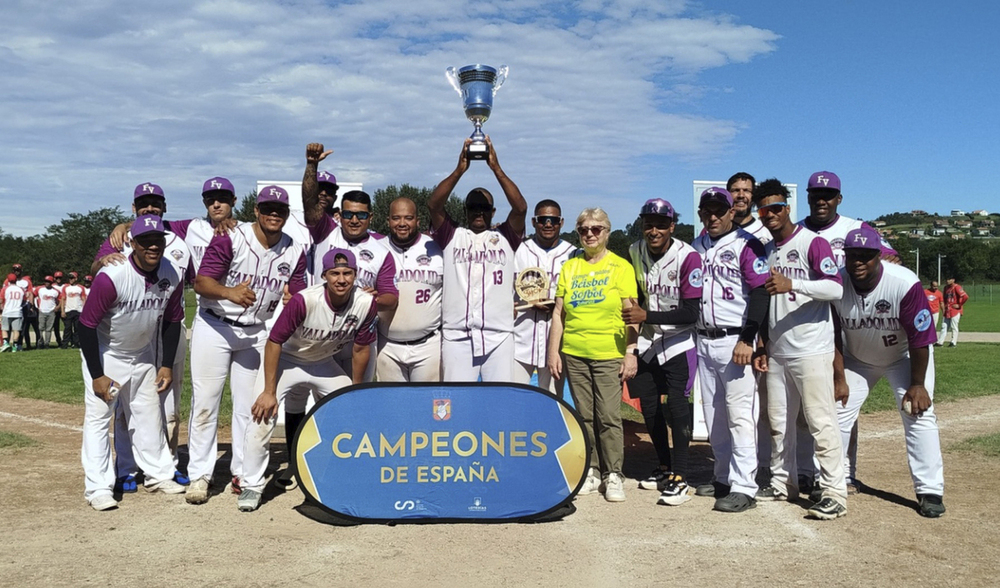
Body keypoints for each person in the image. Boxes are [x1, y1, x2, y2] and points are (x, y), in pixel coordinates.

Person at [187, 186, 308, 505]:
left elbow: (298, 293)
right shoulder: (231, 237)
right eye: (267, 207)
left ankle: (242, 471)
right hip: (215, 325)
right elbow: (201, 282)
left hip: (256, 331)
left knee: (249, 406)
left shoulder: (293, 250)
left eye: (279, 209)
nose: (273, 213)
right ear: (255, 210)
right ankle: (200, 474)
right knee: (205, 403)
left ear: (286, 213)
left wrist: (294, 299)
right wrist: (229, 293)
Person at [240, 249, 378, 512]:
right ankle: (252, 485)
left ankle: (343, 476)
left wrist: (356, 391)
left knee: (350, 411)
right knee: (262, 414)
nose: (341, 279)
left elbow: (361, 350)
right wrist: (269, 390)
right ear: (324, 275)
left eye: (347, 273)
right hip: (288, 360)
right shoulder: (305, 300)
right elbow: (274, 341)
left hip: (324, 362)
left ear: (355, 275)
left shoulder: (365, 303)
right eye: (334, 273)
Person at [795, 170, 899, 496]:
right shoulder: (797, 231)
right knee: (806, 407)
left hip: (848, 325)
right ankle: (807, 471)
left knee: (841, 401)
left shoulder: (856, 228)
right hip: (808, 326)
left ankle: (846, 472)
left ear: (839, 198)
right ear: (809, 197)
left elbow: (891, 258)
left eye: (828, 195)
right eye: (815, 194)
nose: (821, 200)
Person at [832, 226, 945, 518]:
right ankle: (834, 481)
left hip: (904, 357)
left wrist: (918, 384)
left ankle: (929, 491)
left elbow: (921, 338)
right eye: (852, 255)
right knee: (836, 411)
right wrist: (839, 377)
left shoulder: (903, 283)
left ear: (879, 256)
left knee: (918, 413)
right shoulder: (836, 282)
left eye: (866, 256)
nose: (858, 261)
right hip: (858, 359)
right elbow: (832, 335)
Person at [751, 178, 848, 520]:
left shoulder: (813, 242)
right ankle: (783, 482)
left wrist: (794, 284)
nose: (770, 214)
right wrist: (762, 342)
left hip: (811, 347)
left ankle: (835, 491)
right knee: (778, 422)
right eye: (764, 210)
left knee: (821, 422)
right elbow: (763, 300)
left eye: (776, 208)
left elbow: (835, 289)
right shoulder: (765, 249)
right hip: (777, 349)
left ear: (787, 207)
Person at [78, 215, 186, 510]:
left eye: (158, 240)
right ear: (133, 243)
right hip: (106, 353)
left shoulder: (171, 272)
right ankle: (98, 487)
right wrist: (97, 374)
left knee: (149, 414)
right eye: (146, 241)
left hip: (141, 354)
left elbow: (173, 321)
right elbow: (85, 326)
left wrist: (164, 364)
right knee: (100, 419)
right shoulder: (113, 275)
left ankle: (158, 474)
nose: (153, 246)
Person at [93, 182, 193, 487]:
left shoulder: (180, 232)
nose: (150, 208)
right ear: (134, 208)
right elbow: (97, 267)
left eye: (156, 203)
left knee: (167, 400)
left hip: (169, 325)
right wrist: (118, 230)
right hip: (134, 329)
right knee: (126, 405)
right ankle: (126, 467)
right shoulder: (121, 238)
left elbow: (211, 220)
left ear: (164, 206)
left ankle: (166, 462)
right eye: (143, 204)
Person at [548, 208, 639, 503]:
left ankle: (614, 473)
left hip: (608, 353)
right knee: (584, 416)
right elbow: (559, 314)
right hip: (575, 352)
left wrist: (630, 352)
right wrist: (554, 351)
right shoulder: (570, 267)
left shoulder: (620, 267)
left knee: (609, 416)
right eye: (584, 229)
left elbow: (632, 314)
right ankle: (592, 469)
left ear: (607, 232)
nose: (590, 234)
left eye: (596, 229)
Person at [691, 188, 770, 513]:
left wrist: (748, 339)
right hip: (703, 340)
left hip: (735, 341)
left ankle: (744, 486)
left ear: (730, 212)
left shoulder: (747, 244)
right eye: (707, 211)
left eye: (718, 211)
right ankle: (722, 476)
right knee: (714, 415)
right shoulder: (697, 245)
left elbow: (762, 293)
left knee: (740, 417)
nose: (712, 216)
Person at [429, 137, 527, 382]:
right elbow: (433, 206)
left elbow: (521, 209)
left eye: (485, 208)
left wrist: (496, 168)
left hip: (499, 336)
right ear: (465, 210)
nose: (479, 212)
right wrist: (460, 170)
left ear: (493, 212)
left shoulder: (505, 236)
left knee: (499, 403)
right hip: (457, 336)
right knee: (457, 404)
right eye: (474, 207)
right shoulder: (453, 235)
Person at [624, 198, 702, 507]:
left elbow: (691, 313)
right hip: (648, 341)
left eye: (660, 224)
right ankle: (665, 466)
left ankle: (681, 477)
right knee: (649, 406)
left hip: (679, 341)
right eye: (648, 223)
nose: (653, 229)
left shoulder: (688, 257)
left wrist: (647, 317)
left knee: (678, 407)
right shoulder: (634, 250)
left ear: (672, 226)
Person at [302, 144, 398, 382]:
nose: (354, 220)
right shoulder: (326, 232)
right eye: (348, 214)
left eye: (362, 215)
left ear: (370, 217)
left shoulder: (381, 250)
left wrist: (372, 299)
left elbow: (391, 298)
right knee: (321, 401)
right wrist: (312, 165)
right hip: (321, 332)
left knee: (358, 399)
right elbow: (309, 202)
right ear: (339, 214)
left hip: (360, 336)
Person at [725, 172, 774, 488]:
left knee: (770, 409)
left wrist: (760, 339)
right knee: (736, 411)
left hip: (764, 330)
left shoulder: (764, 233)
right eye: (735, 190)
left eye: (746, 190)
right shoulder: (716, 234)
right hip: (733, 333)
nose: (740, 195)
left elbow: (763, 289)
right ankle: (743, 471)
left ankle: (769, 471)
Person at [377, 197, 445, 382]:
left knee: (428, 406)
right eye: (396, 218)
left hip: (428, 345)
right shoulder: (376, 248)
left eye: (408, 218)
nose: (402, 223)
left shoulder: (436, 248)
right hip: (387, 346)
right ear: (388, 220)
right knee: (394, 406)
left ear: (417, 220)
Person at [513, 200, 576, 393]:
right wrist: (525, 302)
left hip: (556, 343)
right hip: (521, 338)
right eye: (543, 219)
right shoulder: (519, 250)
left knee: (552, 401)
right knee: (516, 398)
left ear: (561, 222)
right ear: (534, 222)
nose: (548, 224)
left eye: (553, 220)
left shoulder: (573, 254)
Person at [938, 277, 968, 347]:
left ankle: (953, 342)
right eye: (947, 279)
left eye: (949, 279)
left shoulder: (957, 287)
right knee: (944, 326)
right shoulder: (946, 288)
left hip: (955, 310)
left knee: (953, 326)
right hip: (947, 310)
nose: (947, 281)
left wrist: (959, 305)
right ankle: (940, 342)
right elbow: (945, 299)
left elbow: (965, 296)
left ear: (953, 280)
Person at [60, 272, 87, 348]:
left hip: (78, 310)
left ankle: (76, 343)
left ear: (76, 278)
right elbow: (63, 299)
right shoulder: (66, 288)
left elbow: (83, 299)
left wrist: (84, 310)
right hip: (69, 310)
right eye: (69, 278)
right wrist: (62, 310)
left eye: (72, 278)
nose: (70, 280)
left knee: (77, 328)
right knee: (67, 328)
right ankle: (65, 344)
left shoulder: (81, 288)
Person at [35, 276, 62, 349]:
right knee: (40, 328)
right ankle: (40, 343)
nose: (47, 283)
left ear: (51, 283)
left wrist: (58, 307)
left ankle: (47, 344)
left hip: (51, 312)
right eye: (46, 281)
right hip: (42, 311)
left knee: (48, 329)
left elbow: (61, 299)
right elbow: (33, 295)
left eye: (49, 282)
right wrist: (35, 306)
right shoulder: (39, 289)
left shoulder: (55, 291)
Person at [1, 274, 25, 352]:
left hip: (7, 311)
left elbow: (1, 300)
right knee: (16, 330)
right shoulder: (20, 289)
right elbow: (24, 300)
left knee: (4, 328)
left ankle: (6, 343)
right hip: (17, 311)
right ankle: (15, 345)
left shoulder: (5, 289)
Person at [52, 271, 65, 347]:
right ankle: (59, 341)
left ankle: (67, 339)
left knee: (67, 326)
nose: (58, 279)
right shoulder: (53, 286)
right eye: (57, 278)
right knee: (56, 326)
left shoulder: (65, 286)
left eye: (60, 277)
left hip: (63, 308)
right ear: (54, 278)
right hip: (55, 309)